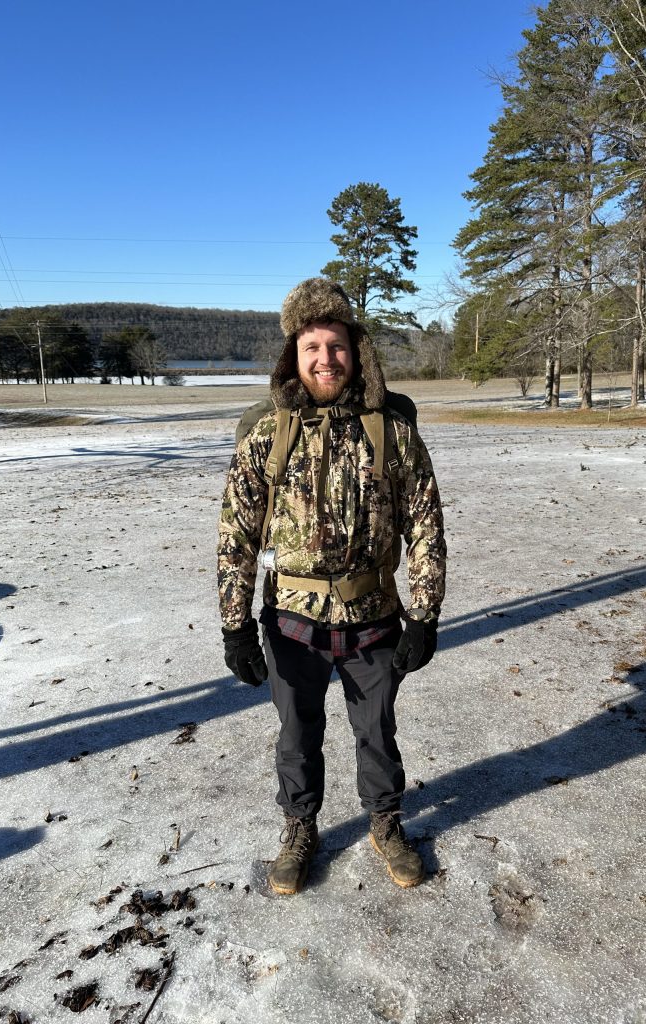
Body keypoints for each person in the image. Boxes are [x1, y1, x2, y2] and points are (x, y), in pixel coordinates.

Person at [217, 278, 446, 895]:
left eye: (336, 345)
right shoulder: (266, 434)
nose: (326, 359)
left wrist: (424, 615)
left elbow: (425, 524)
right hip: (291, 621)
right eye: (312, 347)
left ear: (356, 349)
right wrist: (235, 626)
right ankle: (300, 826)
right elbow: (237, 535)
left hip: (374, 617)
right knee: (297, 734)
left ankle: (385, 820)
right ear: (293, 355)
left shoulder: (392, 429)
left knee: (377, 731)